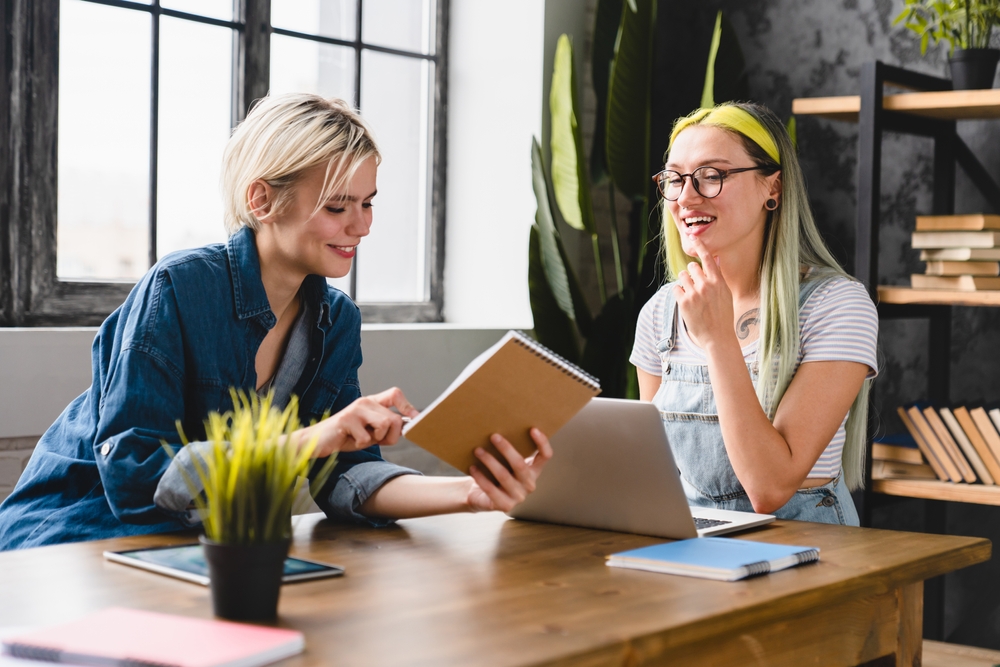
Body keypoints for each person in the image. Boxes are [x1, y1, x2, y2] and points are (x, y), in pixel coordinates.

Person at [0, 94, 551, 550]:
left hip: (190, 553)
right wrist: (313, 438)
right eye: (338, 207)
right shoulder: (179, 289)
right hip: (68, 542)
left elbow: (348, 478)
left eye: (368, 203)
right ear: (262, 200)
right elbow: (139, 479)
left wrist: (469, 496)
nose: (360, 226)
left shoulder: (335, 321)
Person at [630, 102, 877, 526]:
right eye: (674, 179)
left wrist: (718, 339)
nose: (686, 197)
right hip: (694, 548)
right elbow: (655, 474)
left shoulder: (837, 305)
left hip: (808, 551)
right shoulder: (660, 314)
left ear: (773, 189)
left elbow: (770, 488)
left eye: (712, 175)